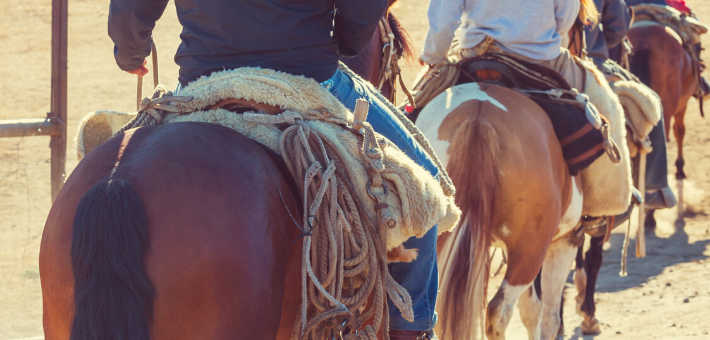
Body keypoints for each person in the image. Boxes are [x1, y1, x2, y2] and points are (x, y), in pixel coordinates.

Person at [108, 1, 439, 339]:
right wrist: (340, 40)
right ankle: (410, 330)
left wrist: (130, 51)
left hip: (203, 78)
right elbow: (360, 16)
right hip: (305, 76)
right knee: (423, 185)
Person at [586, 0, 677, 211]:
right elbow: (617, 28)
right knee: (650, 100)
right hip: (590, 60)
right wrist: (598, 47)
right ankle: (653, 187)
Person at [625, 0, 710, 99]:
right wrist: (685, 9)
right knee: (694, 33)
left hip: (628, 8)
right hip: (659, 6)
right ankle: (698, 82)